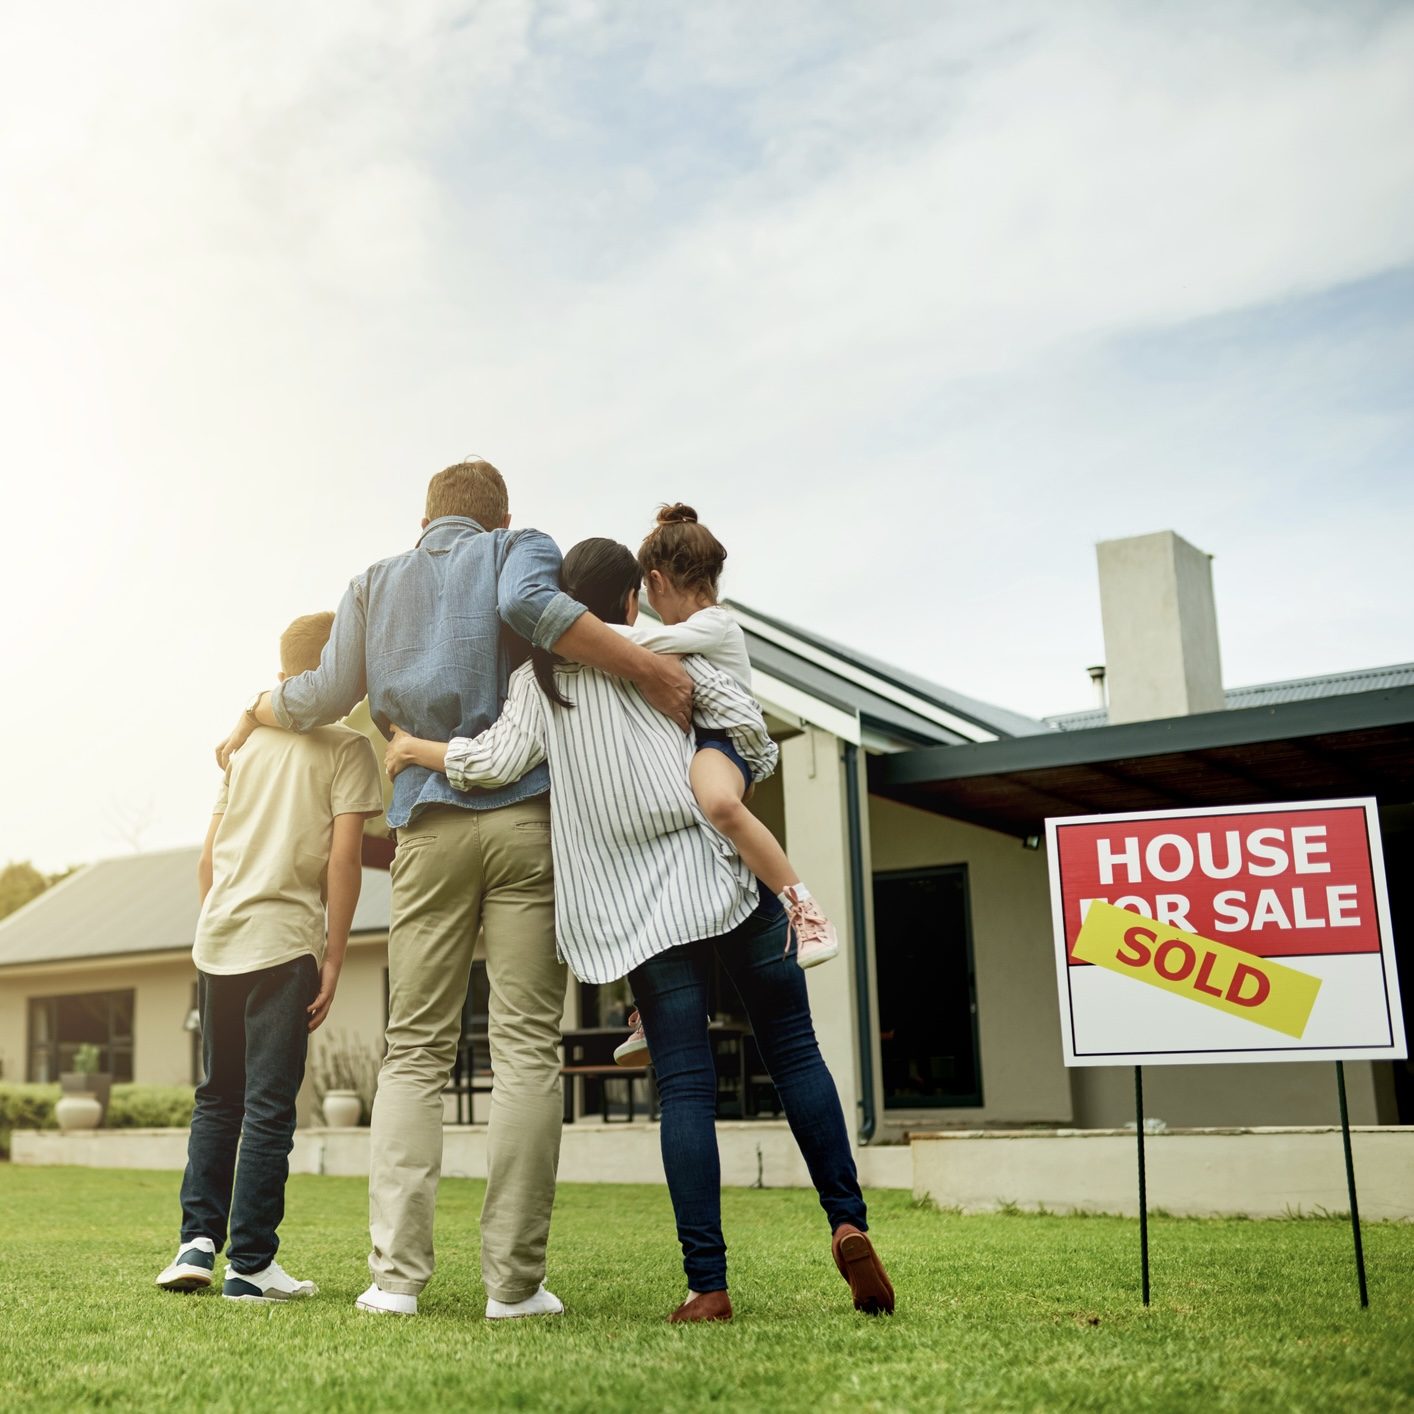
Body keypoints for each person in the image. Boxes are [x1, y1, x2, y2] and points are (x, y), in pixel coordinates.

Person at [212, 458, 693, 1321]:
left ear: (425, 518)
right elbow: (531, 611)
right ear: (498, 515)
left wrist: (257, 704)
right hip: (523, 827)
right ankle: (513, 1287)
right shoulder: (520, 547)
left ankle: (395, 1281)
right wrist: (649, 669)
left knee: (415, 1052)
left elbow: (323, 695)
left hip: (425, 830)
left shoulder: (372, 583)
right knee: (524, 1052)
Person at [386, 539, 894, 1324]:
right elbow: (743, 727)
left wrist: (415, 749)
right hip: (721, 874)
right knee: (794, 1051)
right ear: (630, 600)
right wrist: (728, 766)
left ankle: (708, 1285)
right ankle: (848, 1220)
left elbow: (491, 762)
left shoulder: (536, 681)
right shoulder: (660, 657)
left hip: (641, 916)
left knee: (685, 1087)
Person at [157, 612, 383, 1303]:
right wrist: (335, 956)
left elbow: (206, 859)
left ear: (283, 674)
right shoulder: (347, 749)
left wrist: (218, 924)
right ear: (336, 674)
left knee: (217, 1098)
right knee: (268, 1106)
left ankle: (197, 1242)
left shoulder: (244, 747)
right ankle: (250, 1263)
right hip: (283, 944)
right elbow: (345, 858)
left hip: (219, 939)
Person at [608, 503, 839, 1067]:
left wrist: (571, 631)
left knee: (716, 803)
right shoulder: (693, 627)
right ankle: (650, 1007)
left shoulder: (713, 625)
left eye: (648, 592)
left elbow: (638, 648)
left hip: (724, 746)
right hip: (697, 750)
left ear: (657, 582)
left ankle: (803, 909)